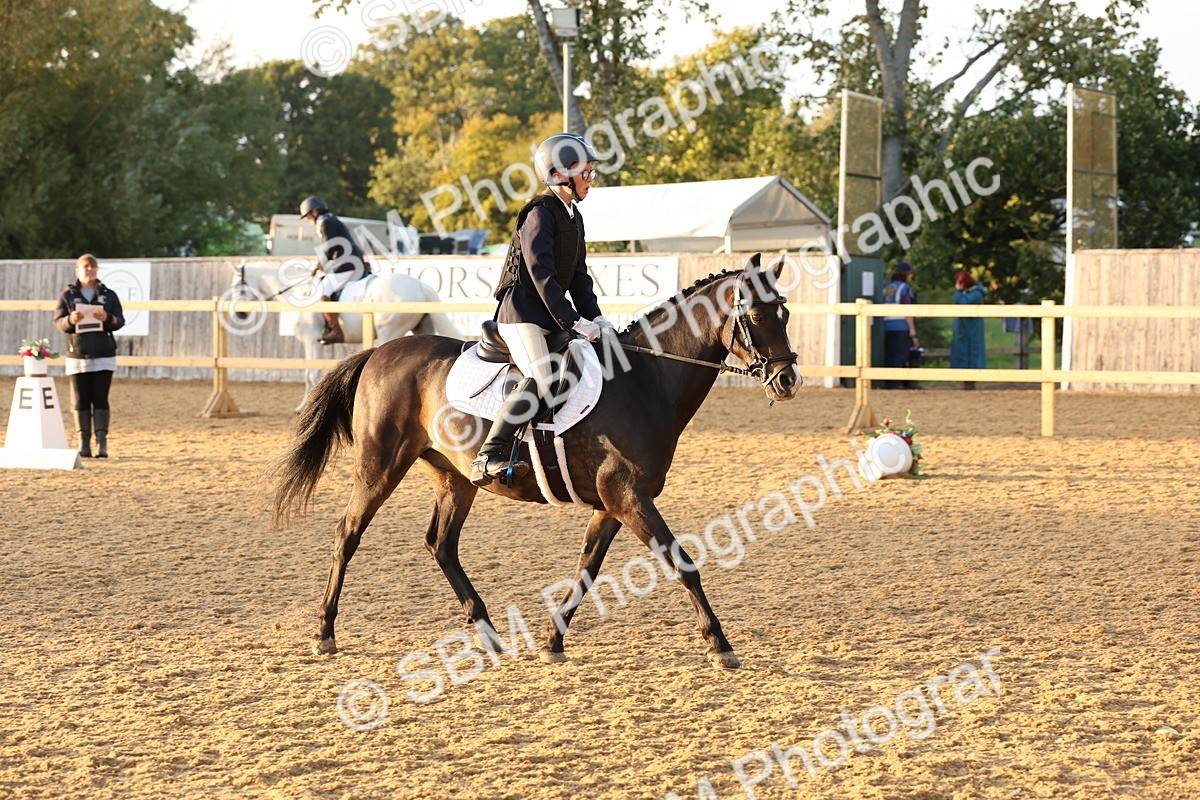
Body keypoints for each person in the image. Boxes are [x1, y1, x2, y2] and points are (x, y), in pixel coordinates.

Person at [469, 133, 613, 486]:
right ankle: (488, 455)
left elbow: (579, 277)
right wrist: (573, 321)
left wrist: (596, 318)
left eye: (591, 173)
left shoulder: (573, 217)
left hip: (548, 314)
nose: (590, 180)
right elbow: (541, 275)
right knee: (545, 375)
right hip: (522, 314)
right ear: (560, 174)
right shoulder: (539, 214)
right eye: (586, 173)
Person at [53, 254, 125, 457]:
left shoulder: (109, 295)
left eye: (93, 267)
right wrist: (70, 320)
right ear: (77, 271)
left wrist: (108, 318)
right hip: (78, 355)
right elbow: (58, 322)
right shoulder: (67, 295)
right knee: (80, 399)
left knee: (101, 398)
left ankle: (102, 443)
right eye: (86, 267)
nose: (90, 270)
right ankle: (83, 443)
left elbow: (120, 321)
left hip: (104, 354)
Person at [299, 196, 372, 344]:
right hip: (352, 261)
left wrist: (319, 264)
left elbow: (329, 248)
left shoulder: (324, 223)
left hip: (345, 264)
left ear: (314, 212)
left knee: (323, 291)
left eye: (307, 216)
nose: (307, 220)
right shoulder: (332, 220)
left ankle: (336, 330)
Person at [880, 262, 919, 389]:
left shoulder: (886, 287)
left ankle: (890, 382)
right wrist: (912, 329)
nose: (911, 276)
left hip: (886, 325)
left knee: (889, 354)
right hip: (900, 325)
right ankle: (897, 383)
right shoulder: (904, 289)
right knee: (900, 355)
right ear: (906, 274)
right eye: (910, 274)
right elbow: (907, 309)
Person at [950, 270, 987, 389]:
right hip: (964, 328)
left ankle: (971, 382)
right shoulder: (970, 293)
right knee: (963, 352)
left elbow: (962, 302)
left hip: (972, 329)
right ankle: (966, 380)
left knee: (972, 352)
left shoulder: (976, 294)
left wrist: (958, 291)